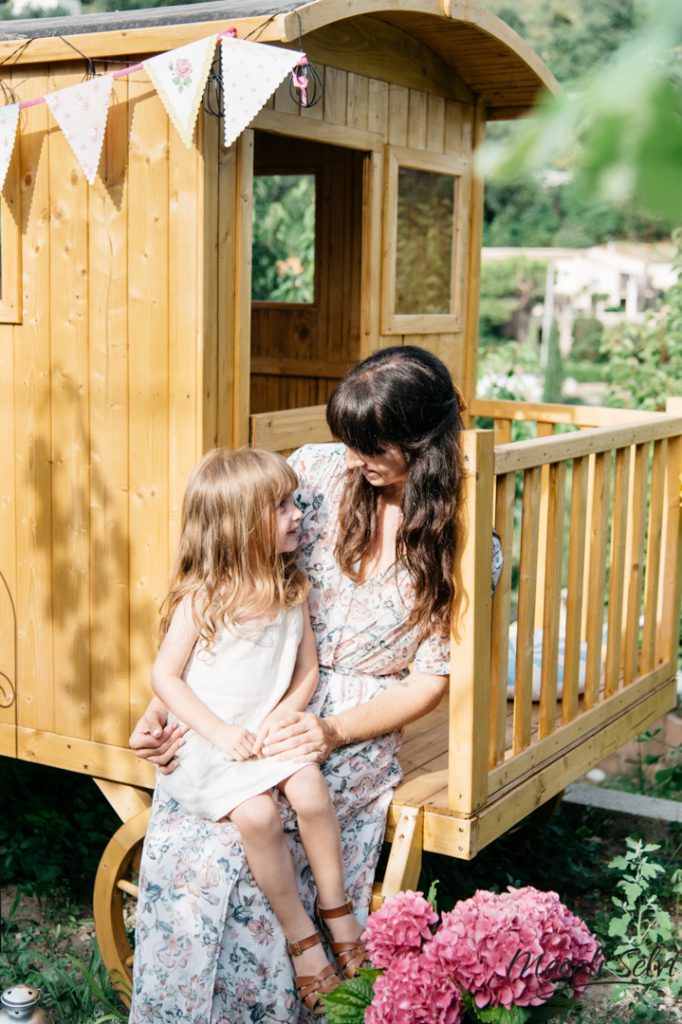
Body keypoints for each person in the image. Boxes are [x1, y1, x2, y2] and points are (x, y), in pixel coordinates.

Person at [129, 345, 502, 1023]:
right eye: (350, 440)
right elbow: (230, 576)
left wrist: (330, 729)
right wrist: (163, 705)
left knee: (286, 814)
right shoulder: (318, 471)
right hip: (246, 688)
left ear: (423, 443)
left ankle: (305, 967)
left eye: (372, 445)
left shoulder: (466, 540)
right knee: (212, 832)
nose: (354, 458)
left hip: (355, 715)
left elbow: (430, 681)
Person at [147, 447, 366, 1015]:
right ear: (238, 526)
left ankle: (337, 910)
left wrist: (283, 715)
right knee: (259, 816)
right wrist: (220, 732)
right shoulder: (204, 598)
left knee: (312, 790)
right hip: (208, 742)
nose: (297, 514)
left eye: (293, 500)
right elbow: (166, 678)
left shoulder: (291, 587)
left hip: (263, 734)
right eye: (279, 507)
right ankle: (302, 938)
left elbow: (307, 671)